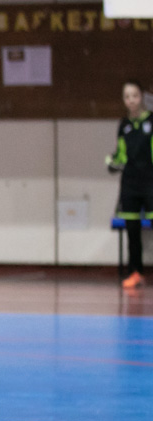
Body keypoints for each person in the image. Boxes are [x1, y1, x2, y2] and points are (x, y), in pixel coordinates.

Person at [107, 79, 152, 289]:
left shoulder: (151, 121)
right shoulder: (123, 125)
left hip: (150, 182)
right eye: (127, 97)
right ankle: (136, 272)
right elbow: (121, 155)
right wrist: (113, 162)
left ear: (141, 97)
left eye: (134, 95)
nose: (131, 100)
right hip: (130, 185)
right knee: (132, 232)